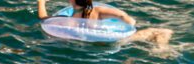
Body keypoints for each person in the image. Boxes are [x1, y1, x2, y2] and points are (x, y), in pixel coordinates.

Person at [37, 0, 174, 48]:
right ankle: (161, 49)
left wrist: (41, 2)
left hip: (83, 42)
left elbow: (44, 18)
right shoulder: (97, 11)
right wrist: (129, 25)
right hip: (112, 41)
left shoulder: (68, 19)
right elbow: (123, 16)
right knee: (162, 31)